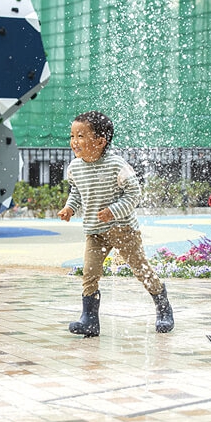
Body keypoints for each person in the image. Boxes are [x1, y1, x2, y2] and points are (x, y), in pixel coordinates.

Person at [57, 111, 174, 337]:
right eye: (72, 136)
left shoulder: (116, 165)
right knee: (89, 274)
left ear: (100, 141)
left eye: (80, 136)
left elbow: (134, 193)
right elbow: (77, 192)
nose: (74, 142)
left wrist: (113, 211)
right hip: (94, 232)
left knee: (141, 270)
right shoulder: (75, 167)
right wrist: (70, 207)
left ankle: (163, 306)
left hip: (123, 230)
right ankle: (89, 320)